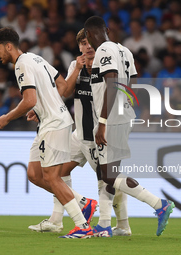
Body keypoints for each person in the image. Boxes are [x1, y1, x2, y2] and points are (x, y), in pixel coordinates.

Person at [0, 27, 93, 239]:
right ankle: (84, 202)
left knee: (52, 177)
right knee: (34, 174)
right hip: (50, 120)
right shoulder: (35, 58)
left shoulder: (21, 65)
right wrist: (39, 110)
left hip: (54, 124)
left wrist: (7, 117)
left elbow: (29, 100)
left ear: (8, 46)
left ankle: (83, 227)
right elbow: (63, 88)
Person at [28, 28, 131, 236]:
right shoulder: (76, 65)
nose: (87, 47)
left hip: (98, 135)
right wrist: (76, 69)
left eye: (89, 42)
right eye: (83, 44)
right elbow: (64, 92)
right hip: (78, 134)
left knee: (108, 180)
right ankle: (56, 220)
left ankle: (121, 224)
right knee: (58, 172)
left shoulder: (106, 65)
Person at [84, 16, 174, 237]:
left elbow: (112, 83)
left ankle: (159, 204)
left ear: (88, 35)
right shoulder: (124, 51)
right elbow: (132, 82)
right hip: (123, 115)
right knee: (111, 173)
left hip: (111, 118)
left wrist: (103, 122)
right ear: (106, 29)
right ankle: (107, 224)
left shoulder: (104, 50)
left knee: (108, 175)